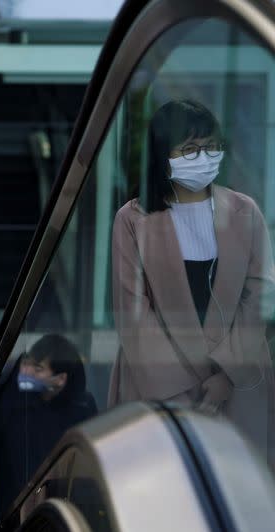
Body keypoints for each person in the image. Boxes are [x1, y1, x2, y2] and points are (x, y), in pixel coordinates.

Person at [110, 99, 275, 467]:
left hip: (237, 384)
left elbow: (261, 297)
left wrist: (225, 377)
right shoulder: (133, 218)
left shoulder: (245, 211)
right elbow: (133, 313)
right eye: (190, 149)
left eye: (211, 146)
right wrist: (189, 391)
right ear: (162, 153)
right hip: (157, 389)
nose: (203, 157)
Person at [0, 334, 97, 530]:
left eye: (38, 369)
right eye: (26, 363)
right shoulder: (8, 401)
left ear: (60, 379)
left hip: (61, 513)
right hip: (12, 510)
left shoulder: (83, 407)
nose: (26, 372)